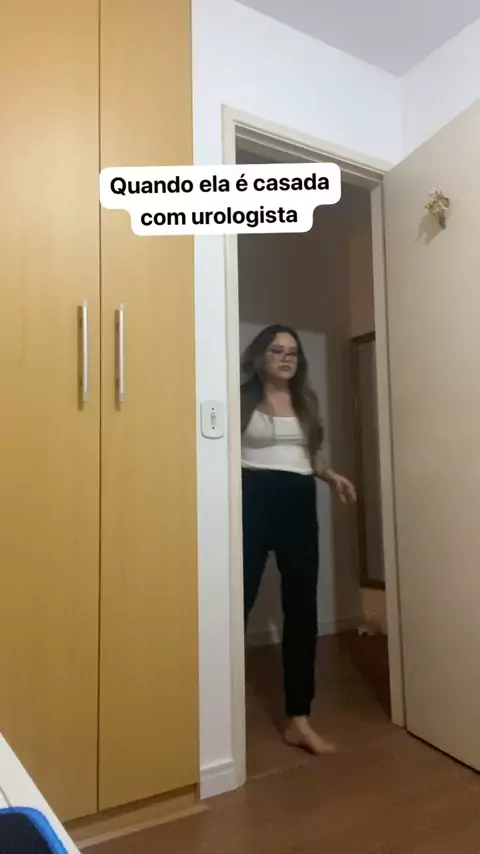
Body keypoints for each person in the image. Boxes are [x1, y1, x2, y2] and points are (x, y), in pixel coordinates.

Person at [241, 324, 357, 755]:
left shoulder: (305, 400)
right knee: (238, 601)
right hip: (252, 498)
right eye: (277, 350)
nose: (285, 358)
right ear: (261, 356)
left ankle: (299, 719)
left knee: (302, 608)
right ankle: (211, 714)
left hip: (299, 500)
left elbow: (307, 454)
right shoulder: (241, 398)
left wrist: (331, 476)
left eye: (292, 352)